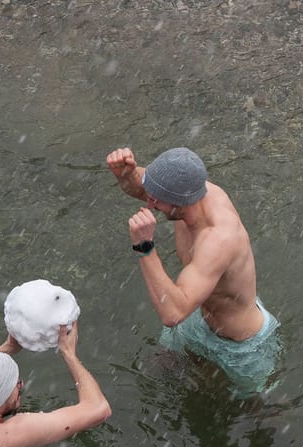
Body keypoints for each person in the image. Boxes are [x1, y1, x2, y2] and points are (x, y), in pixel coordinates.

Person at [107, 146, 281, 390]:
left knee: (255, 413)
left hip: (240, 344)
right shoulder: (188, 191)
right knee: (160, 372)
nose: (148, 202)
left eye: (154, 199)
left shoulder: (217, 239)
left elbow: (172, 314)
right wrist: (125, 174)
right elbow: (145, 188)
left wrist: (144, 246)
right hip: (197, 317)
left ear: (179, 202)